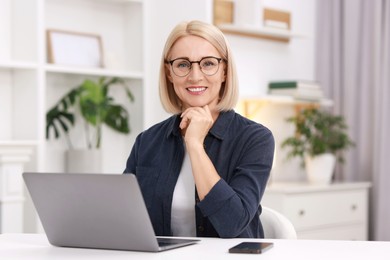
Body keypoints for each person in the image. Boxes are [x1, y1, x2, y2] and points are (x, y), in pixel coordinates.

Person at [124, 20, 274, 238]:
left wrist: (194, 144)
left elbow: (232, 224)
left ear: (224, 71)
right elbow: (125, 218)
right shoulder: (147, 141)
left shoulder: (255, 139)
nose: (195, 76)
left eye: (208, 63)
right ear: (169, 73)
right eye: (183, 64)